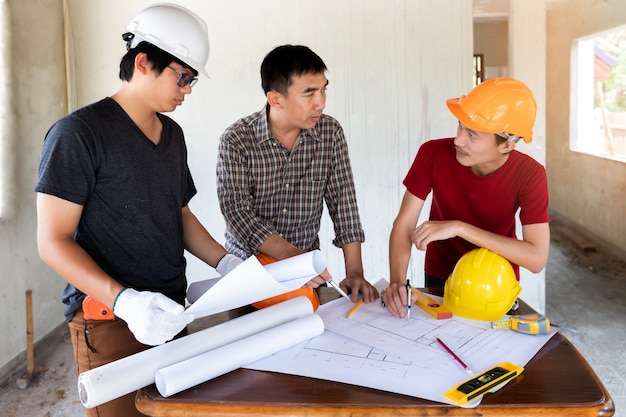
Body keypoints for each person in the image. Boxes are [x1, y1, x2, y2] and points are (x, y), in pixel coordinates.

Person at [35, 4, 241, 416]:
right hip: (109, 321)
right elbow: (52, 242)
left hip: (170, 312)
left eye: (192, 79)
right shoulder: (79, 134)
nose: (187, 90)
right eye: (182, 77)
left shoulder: (173, 135)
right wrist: (126, 300)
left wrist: (227, 263)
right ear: (143, 62)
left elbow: (179, 215)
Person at [216, 45, 378, 303]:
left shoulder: (330, 133)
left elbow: (343, 204)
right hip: (248, 272)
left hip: (304, 275)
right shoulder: (237, 139)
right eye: (309, 93)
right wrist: (290, 255)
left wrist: (355, 272)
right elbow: (237, 212)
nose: (321, 103)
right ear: (275, 99)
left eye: (324, 89)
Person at [384, 78, 550, 318]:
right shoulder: (431, 153)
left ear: (506, 146)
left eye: (472, 135)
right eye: (460, 126)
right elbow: (405, 224)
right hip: (441, 278)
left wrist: (460, 228)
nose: (458, 140)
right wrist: (397, 282)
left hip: (496, 284)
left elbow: (536, 258)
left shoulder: (531, 174)